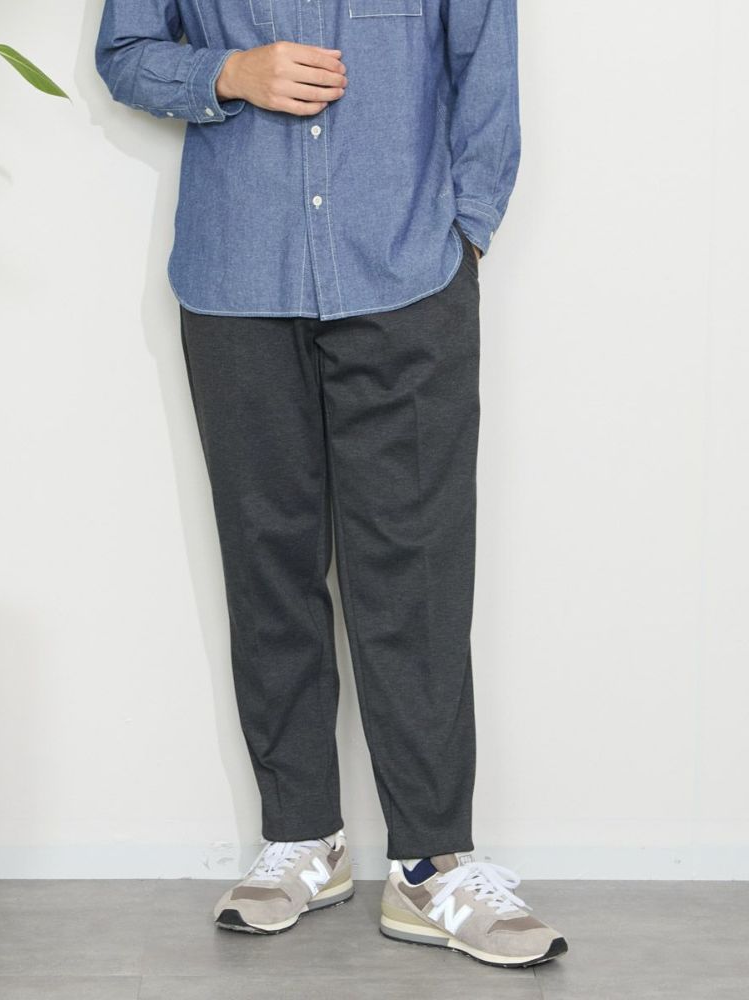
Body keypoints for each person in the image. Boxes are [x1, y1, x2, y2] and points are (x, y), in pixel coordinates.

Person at [95, 0, 568, 969]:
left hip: (408, 277)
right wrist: (226, 74)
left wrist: (466, 235)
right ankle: (301, 836)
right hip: (237, 276)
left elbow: (485, 66)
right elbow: (126, 51)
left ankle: (431, 863)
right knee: (267, 563)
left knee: (415, 575)